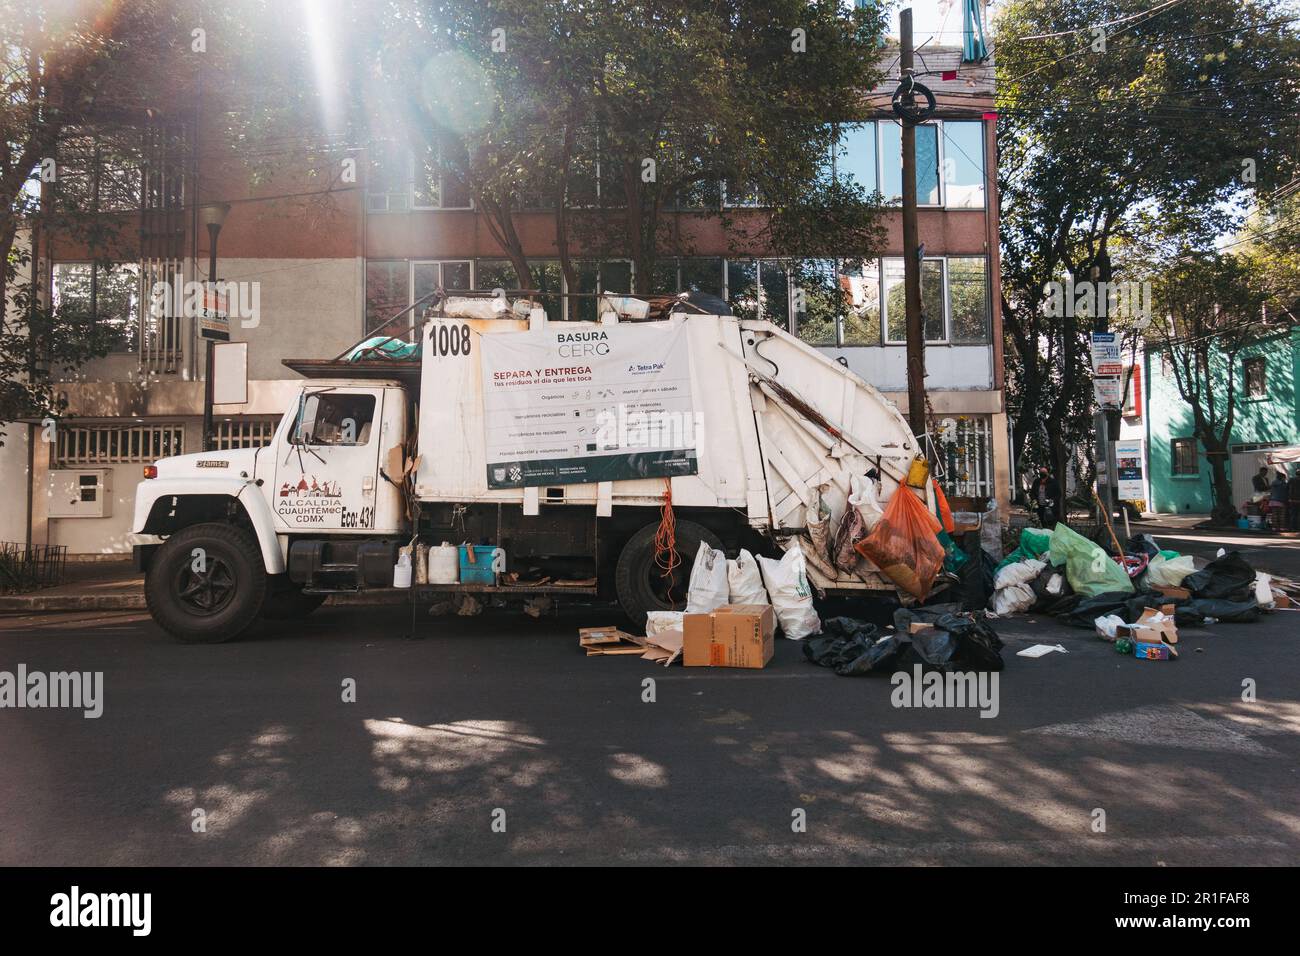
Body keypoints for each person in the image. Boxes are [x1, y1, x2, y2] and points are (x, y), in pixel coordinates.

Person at [1289, 465, 1300, 532]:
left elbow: (1288, 488)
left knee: (1293, 514)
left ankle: (1293, 527)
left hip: (1293, 499)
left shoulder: (1292, 479)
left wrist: (1289, 498)